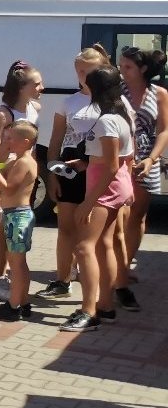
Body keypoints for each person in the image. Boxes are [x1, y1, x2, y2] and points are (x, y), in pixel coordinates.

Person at [60, 66, 135, 333]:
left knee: (83, 248)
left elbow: (112, 166)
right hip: (114, 185)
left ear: (95, 89)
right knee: (104, 245)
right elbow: (120, 157)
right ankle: (106, 305)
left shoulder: (107, 120)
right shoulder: (123, 114)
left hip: (105, 189)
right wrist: (84, 163)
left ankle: (88, 311)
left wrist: (88, 202)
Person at [38, 46, 111, 301]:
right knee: (65, 228)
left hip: (99, 171)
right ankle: (62, 279)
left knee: (95, 236)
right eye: (79, 70)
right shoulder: (69, 102)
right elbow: (56, 141)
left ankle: (101, 291)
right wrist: (52, 175)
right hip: (70, 170)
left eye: (89, 71)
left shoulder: (112, 102)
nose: (83, 75)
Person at [0, 62, 44, 301]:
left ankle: (5, 277)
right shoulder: (3, 113)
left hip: (24, 175)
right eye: (36, 84)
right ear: (21, 87)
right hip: (5, 175)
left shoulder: (34, 108)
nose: (42, 88)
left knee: (10, 232)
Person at [118, 46, 167, 307]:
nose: (121, 71)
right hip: (121, 155)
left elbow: (164, 131)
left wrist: (151, 159)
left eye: (127, 67)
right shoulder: (117, 91)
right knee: (119, 213)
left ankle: (124, 265)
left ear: (143, 70)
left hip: (147, 157)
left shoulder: (159, 95)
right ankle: (114, 268)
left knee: (138, 215)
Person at [0, 121, 40, 322]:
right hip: (12, 214)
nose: (6, 141)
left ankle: (14, 306)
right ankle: (22, 302)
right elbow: (1, 176)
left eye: (10, 138)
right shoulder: (17, 160)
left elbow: (8, 186)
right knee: (17, 262)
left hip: (19, 216)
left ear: (25, 142)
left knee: (17, 265)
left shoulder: (24, 162)